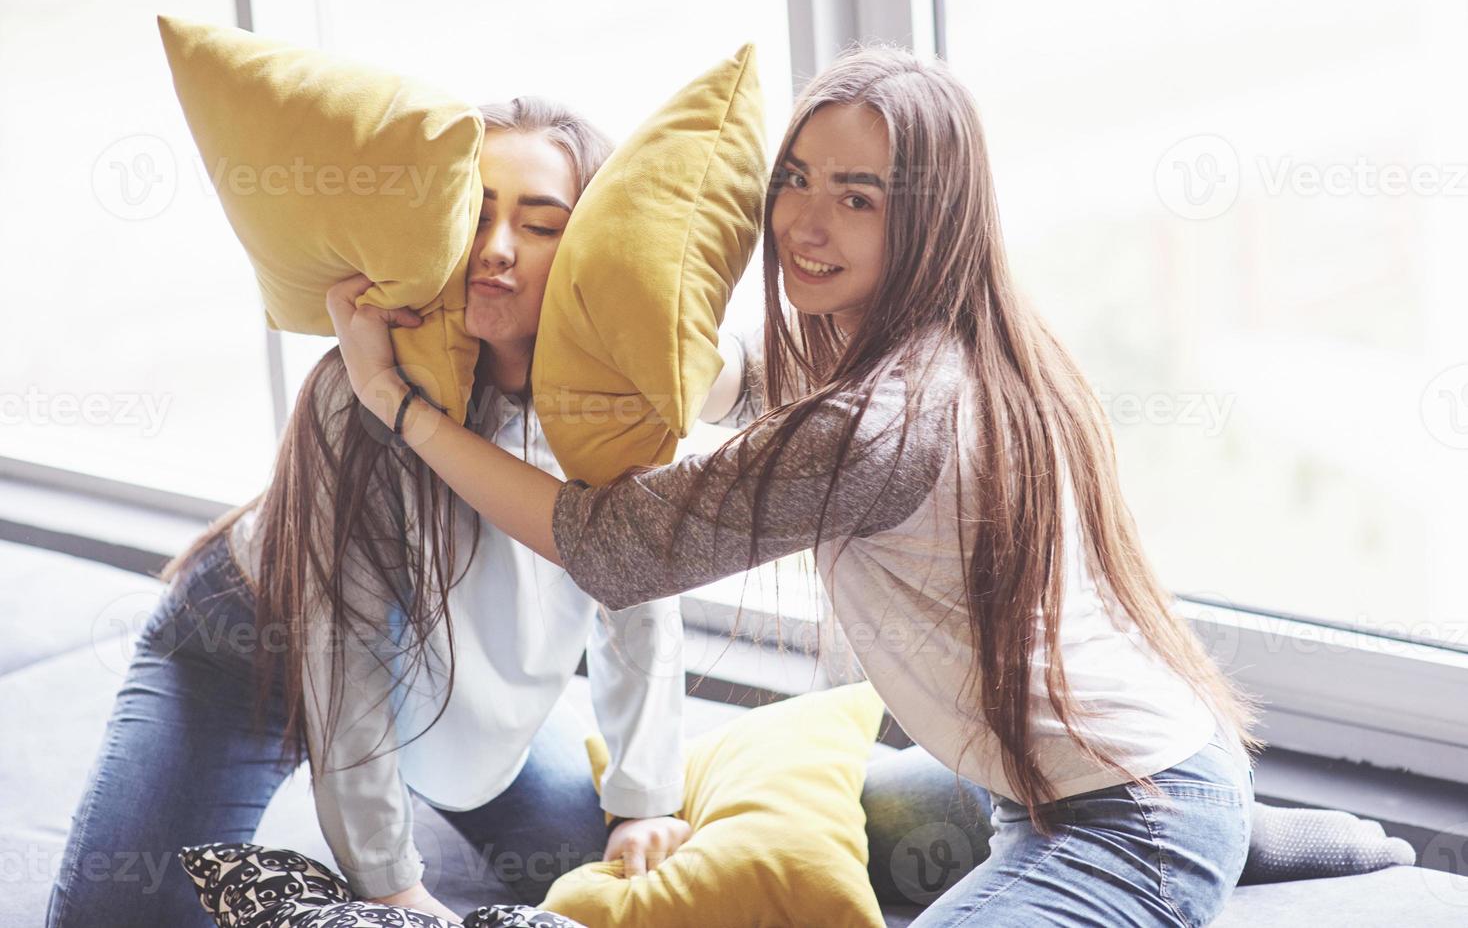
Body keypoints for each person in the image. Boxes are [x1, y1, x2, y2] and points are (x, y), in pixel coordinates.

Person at [328, 47, 1263, 926]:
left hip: (1125, 814)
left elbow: (615, 548)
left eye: (858, 199)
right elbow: (755, 378)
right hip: (1072, 775)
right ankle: (1254, 831)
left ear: (931, 217)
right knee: (888, 805)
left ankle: (1211, 841)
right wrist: (603, 317)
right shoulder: (949, 339)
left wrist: (398, 407)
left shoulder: (881, 425)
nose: (806, 225)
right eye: (795, 180)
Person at [46, 98, 690, 928]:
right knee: (109, 917)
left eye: (540, 225)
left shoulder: (620, 403)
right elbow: (343, 663)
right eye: (476, 213)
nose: (495, 250)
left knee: (599, 860)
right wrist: (390, 888)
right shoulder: (362, 389)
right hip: (244, 647)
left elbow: (637, 604)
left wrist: (643, 797)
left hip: (446, 678)